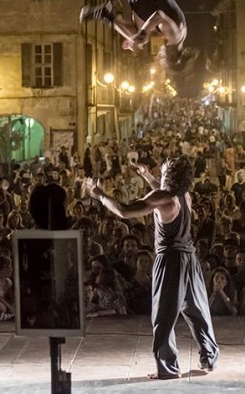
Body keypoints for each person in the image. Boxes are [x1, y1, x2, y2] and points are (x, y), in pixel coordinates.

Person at [86, 154, 218, 379]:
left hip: (170, 260)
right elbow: (162, 189)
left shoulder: (163, 198)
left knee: (164, 315)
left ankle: (167, 368)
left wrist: (101, 196)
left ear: (170, 175)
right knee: (197, 310)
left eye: (163, 170)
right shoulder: (185, 196)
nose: (161, 173)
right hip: (190, 259)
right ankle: (209, 356)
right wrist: (147, 175)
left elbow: (125, 211)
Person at [80, 0, 204, 97]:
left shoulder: (177, 38)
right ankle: (104, 14)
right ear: (172, 56)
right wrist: (141, 35)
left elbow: (148, 22)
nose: (160, 54)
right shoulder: (175, 36)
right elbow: (159, 15)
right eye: (163, 58)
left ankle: (106, 15)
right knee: (140, 38)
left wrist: (135, 37)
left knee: (138, 39)